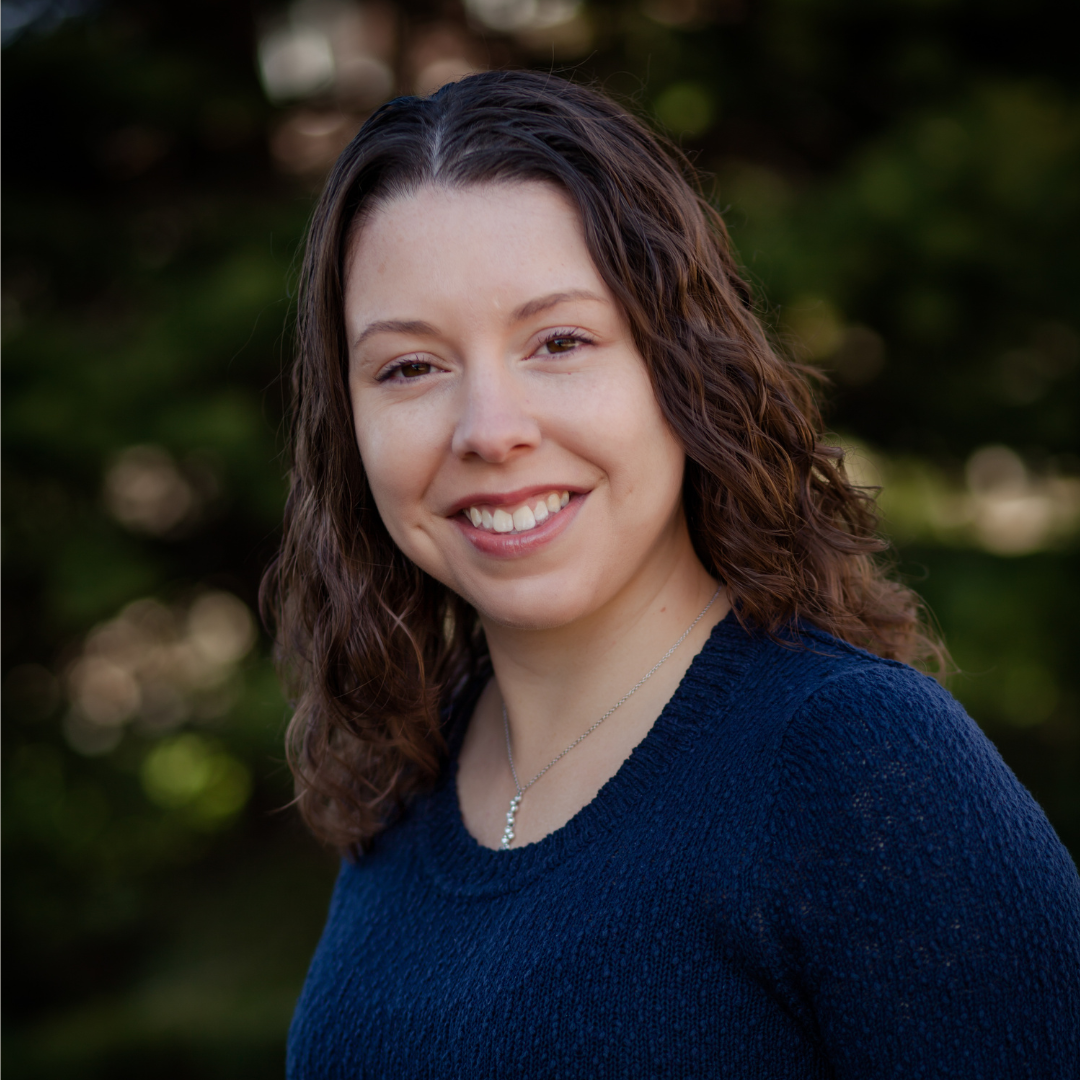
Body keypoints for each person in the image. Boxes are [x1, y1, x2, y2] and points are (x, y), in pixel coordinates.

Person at [262, 70, 1080, 1078]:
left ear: (683, 369)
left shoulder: (857, 768)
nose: (489, 431)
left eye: (559, 342)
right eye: (409, 368)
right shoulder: (401, 782)